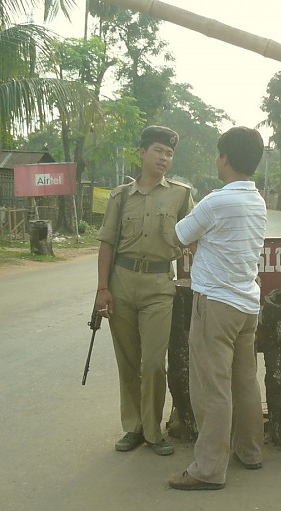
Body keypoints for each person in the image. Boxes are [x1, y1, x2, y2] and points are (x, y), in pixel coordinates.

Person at [167, 126, 267, 490]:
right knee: (244, 382)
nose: (216, 160)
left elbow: (178, 236)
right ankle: (250, 451)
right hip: (246, 304)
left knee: (212, 387)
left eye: (217, 154)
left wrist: (197, 243)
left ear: (225, 158)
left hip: (216, 305)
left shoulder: (216, 201)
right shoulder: (256, 200)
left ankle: (208, 469)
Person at [95, 126, 194, 456]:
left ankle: (154, 431)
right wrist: (102, 289)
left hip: (158, 287)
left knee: (153, 363)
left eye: (169, 154)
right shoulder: (120, 196)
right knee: (128, 363)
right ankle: (134, 427)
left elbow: (192, 241)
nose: (164, 158)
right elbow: (107, 243)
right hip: (121, 283)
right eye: (158, 151)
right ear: (142, 153)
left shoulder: (180, 195)